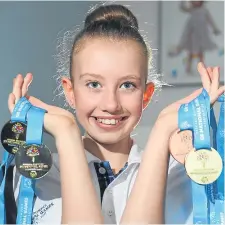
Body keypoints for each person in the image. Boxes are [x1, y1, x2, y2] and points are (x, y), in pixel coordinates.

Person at [5, 4, 225, 224]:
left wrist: (163, 130)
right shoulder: (31, 176)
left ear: (146, 95)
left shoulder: (185, 177)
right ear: (70, 92)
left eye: (127, 85)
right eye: (93, 84)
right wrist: (66, 132)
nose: (111, 104)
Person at [168, 1, 221, 74]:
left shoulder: (204, 10)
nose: (196, 2)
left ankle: (202, 69)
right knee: (190, 53)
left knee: (200, 53)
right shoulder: (192, 9)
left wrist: (215, 29)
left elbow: (210, 20)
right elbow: (183, 8)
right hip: (192, 35)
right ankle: (188, 69)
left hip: (201, 35)